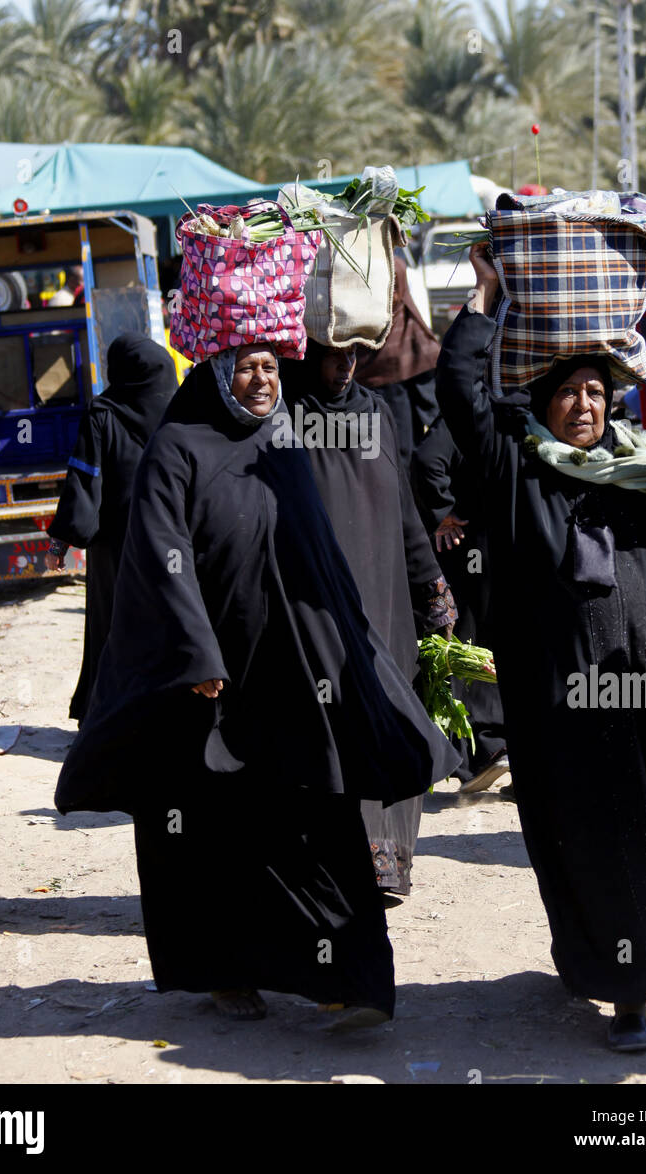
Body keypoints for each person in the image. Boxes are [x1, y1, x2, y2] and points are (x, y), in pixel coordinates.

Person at [55, 342, 459, 1029]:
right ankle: (226, 972)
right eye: (247, 367)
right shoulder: (177, 449)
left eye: (273, 367)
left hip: (290, 675)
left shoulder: (283, 441)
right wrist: (196, 655)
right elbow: (159, 562)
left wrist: (346, 643)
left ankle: (355, 981)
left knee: (319, 820)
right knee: (215, 837)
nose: (263, 379)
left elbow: (318, 550)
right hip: (205, 691)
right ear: (216, 376)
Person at [436, 242, 646, 1053]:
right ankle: (603, 971)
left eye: (597, 392)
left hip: (634, 688)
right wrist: (486, 296)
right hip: (549, 696)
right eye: (568, 393)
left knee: (639, 834)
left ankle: (629, 980)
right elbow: (460, 394)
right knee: (563, 835)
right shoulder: (515, 468)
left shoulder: (638, 467)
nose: (584, 405)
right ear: (545, 403)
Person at [282, 340, 457, 897]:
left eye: (354, 352)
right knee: (337, 724)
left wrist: (431, 584)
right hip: (319, 604)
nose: (346, 365)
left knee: (390, 710)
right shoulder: (286, 419)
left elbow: (404, 505)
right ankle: (347, 864)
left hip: (384, 600)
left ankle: (391, 860)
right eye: (332, 354)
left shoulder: (376, 412)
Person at [46, 333, 177, 721]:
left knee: (113, 627)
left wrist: (60, 544)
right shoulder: (180, 413)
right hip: (169, 541)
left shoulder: (102, 413)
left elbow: (84, 483)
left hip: (115, 548)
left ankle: (109, 717)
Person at [412, 416, 509, 793]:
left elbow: (425, 460)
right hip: (497, 544)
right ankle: (494, 747)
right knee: (485, 640)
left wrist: (443, 512)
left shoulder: (462, 418)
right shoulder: (508, 411)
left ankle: (484, 751)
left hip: (471, 544)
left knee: (468, 644)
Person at [354, 257, 440, 470]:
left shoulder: (415, 342)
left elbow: (435, 415)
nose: (387, 298)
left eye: (391, 290)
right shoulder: (357, 348)